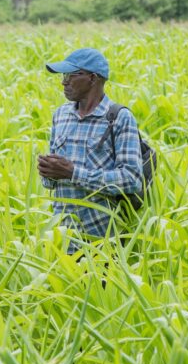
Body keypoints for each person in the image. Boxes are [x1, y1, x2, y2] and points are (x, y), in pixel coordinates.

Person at [38, 48, 143, 253]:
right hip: (62, 237)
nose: (63, 82)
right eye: (63, 76)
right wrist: (48, 172)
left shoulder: (119, 118)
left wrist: (73, 173)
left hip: (102, 239)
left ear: (92, 79)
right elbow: (51, 183)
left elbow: (131, 178)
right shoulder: (61, 115)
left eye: (70, 75)